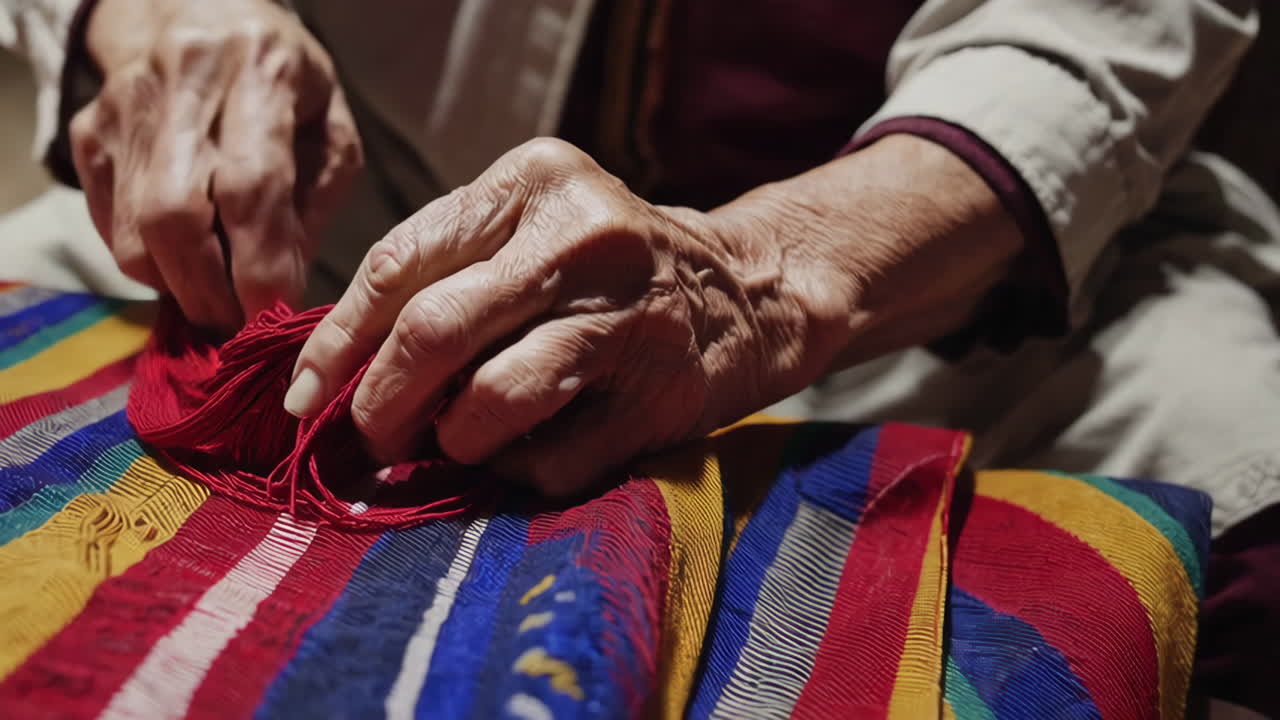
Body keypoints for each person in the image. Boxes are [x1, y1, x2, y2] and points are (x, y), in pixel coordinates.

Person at [1, 0, 1275, 529]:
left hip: (940, 293)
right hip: (335, 237)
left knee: (1231, 488)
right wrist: (153, 12)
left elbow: (1087, 38)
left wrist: (758, 276)